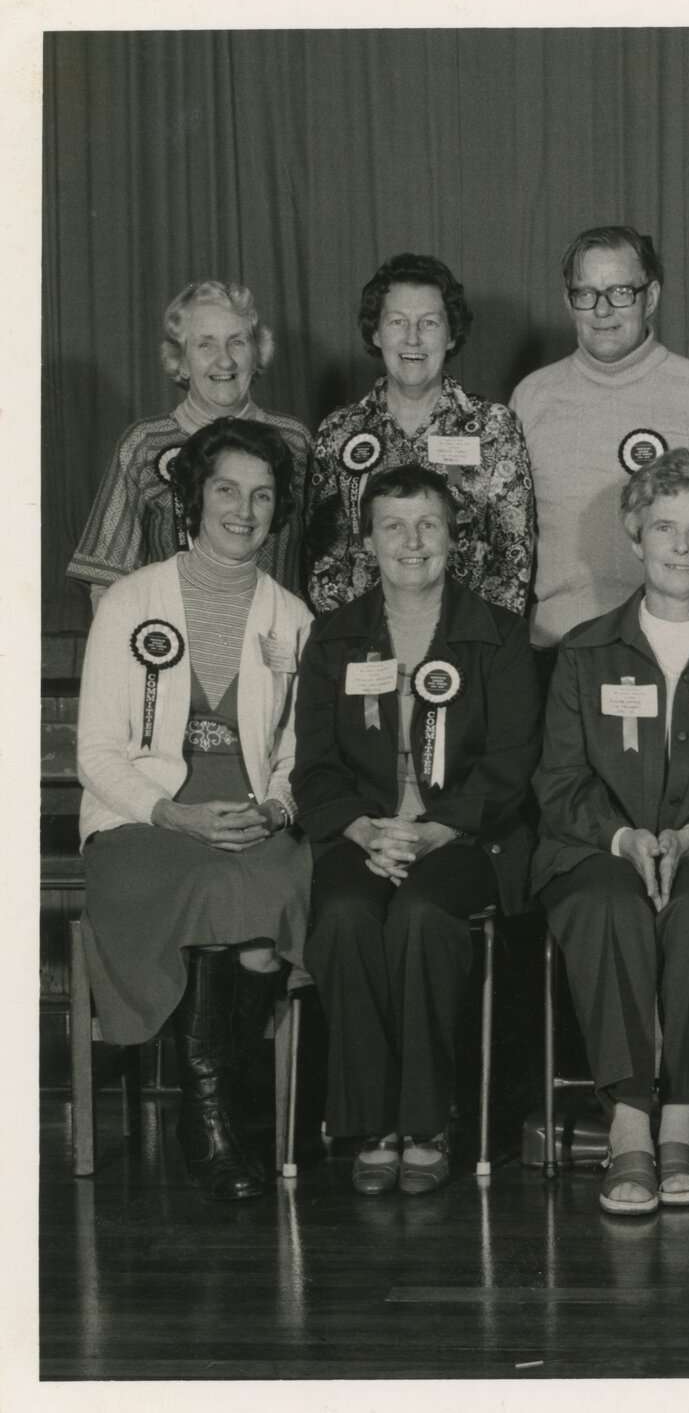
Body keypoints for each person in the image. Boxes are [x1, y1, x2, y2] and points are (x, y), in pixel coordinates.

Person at [533, 451, 689, 1215]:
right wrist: (624, 840)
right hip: (596, 850)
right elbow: (558, 782)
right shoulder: (584, 649)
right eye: (665, 528)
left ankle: (683, 1112)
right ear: (635, 535)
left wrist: (686, 839)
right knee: (608, 903)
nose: (681, 547)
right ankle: (629, 1123)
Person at [75, 416, 315, 1201]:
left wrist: (276, 811)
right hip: (143, 824)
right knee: (219, 894)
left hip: (247, 816)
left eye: (262, 494)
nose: (243, 510)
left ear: (277, 510)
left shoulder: (293, 617)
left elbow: (295, 756)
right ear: (193, 496)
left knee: (266, 888)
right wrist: (174, 815)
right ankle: (212, 1118)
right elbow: (97, 753)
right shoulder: (130, 602)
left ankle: (215, 1111)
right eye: (225, 490)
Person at [293, 466, 541, 1196]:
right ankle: (374, 1124)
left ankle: (429, 1121)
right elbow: (314, 768)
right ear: (367, 540)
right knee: (340, 916)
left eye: (428, 524)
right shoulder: (334, 637)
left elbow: (511, 764)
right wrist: (365, 829)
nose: (412, 541)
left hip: (469, 838)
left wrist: (435, 830)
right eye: (394, 526)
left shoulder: (496, 632)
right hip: (362, 834)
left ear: (453, 537)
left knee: (422, 915)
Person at [513, 226, 689, 650]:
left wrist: (682, 623)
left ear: (652, 297)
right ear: (568, 302)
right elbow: (510, 538)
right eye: (585, 293)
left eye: (620, 291)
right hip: (556, 644)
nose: (602, 310)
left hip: (673, 644)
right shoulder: (531, 398)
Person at [304, 254, 535, 616]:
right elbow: (324, 560)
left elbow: (512, 558)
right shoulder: (339, 432)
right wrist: (351, 640)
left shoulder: (494, 427)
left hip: (468, 650)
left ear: (451, 333)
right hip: (363, 651)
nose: (412, 338)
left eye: (429, 322)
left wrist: (484, 646)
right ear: (376, 332)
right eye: (397, 321)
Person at [67, 281, 312, 604]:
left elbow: (324, 558)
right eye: (205, 345)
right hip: (172, 642)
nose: (225, 361)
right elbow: (106, 578)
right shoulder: (144, 443)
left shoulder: (294, 440)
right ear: (181, 361)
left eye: (237, 342)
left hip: (275, 640)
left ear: (257, 354)